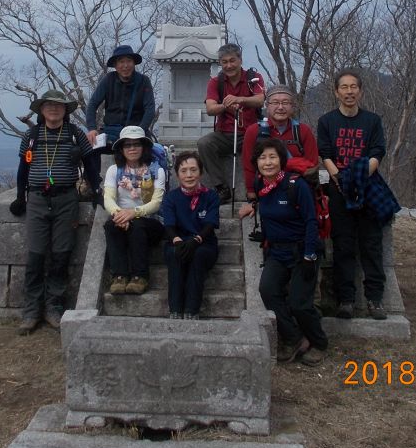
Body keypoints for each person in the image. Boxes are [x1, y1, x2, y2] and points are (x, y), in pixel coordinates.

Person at [10, 89, 101, 335]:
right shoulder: (31, 135)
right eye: (49, 105)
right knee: (36, 254)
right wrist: (21, 196)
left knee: (61, 255)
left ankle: (54, 307)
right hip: (38, 198)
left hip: (66, 198)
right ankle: (31, 311)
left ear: (65, 111)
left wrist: (98, 190)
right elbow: (23, 168)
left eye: (59, 106)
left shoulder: (75, 134)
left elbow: (91, 163)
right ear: (41, 110)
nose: (53, 109)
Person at [238, 138, 326, 365]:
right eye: (262, 157)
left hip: (301, 252)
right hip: (276, 252)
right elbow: (268, 205)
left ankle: (319, 342)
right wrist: (254, 210)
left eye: (272, 157)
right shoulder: (261, 185)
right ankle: (294, 337)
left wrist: (309, 256)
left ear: (281, 159)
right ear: (256, 162)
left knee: (299, 302)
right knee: (267, 290)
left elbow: (310, 222)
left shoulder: (296, 185)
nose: (267, 162)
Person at [317, 69, 390, 320]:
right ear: (336, 91)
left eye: (353, 87)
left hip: (367, 187)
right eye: (344, 87)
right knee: (343, 244)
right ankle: (345, 299)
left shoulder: (372, 121)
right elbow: (325, 154)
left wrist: (357, 178)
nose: (349, 91)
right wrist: (342, 180)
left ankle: (375, 299)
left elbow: (377, 153)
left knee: (371, 244)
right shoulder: (327, 121)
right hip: (339, 190)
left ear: (360, 91)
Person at [197, 43, 265, 202]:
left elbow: (260, 99)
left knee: (268, 145)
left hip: (251, 132)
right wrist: (225, 105)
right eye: (224, 62)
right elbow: (210, 108)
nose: (229, 65)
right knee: (204, 143)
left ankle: (261, 186)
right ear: (220, 63)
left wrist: (240, 99)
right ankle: (221, 187)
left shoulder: (253, 77)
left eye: (232, 60)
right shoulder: (215, 82)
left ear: (240, 60)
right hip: (225, 133)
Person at [102, 125, 166, 295]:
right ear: (121, 149)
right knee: (110, 226)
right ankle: (119, 276)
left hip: (151, 222)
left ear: (144, 147)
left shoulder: (157, 170)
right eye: (127, 145)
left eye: (136, 144)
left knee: (137, 226)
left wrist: (133, 213)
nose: (132, 148)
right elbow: (108, 198)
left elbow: (156, 203)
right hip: (122, 219)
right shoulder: (114, 170)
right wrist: (119, 215)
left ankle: (140, 276)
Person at [161, 151, 220, 319]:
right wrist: (178, 242)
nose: (189, 175)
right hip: (177, 241)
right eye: (184, 170)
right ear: (178, 174)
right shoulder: (171, 197)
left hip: (204, 243)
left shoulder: (211, 196)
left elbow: (210, 225)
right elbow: (169, 225)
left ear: (200, 172)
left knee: (198, 256)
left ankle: (192, 310)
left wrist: (196, 240)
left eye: (193, 170)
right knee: (175, 255)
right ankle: (175, 309)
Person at [240, 84, 320, 202]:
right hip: (266, 189)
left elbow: (312, 164)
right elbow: (248, 164)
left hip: (296, 190)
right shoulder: (254, 131)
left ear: (292, 106)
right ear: (267, 106)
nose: (281, 107)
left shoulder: (303, 131)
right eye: (275, 103)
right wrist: (251, 191)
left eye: (285, 103)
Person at [85, 45, 155, 145]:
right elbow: (92, 104)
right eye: (121, 62)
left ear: (134, 63)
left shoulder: (144, 81)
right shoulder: (108, 79)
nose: (125, 65)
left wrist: (140, 130)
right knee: (88, 148)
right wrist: (92, 128)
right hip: (111, 130)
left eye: (129, 61)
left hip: (136, 130)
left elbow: (150, 108)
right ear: (115, 65)